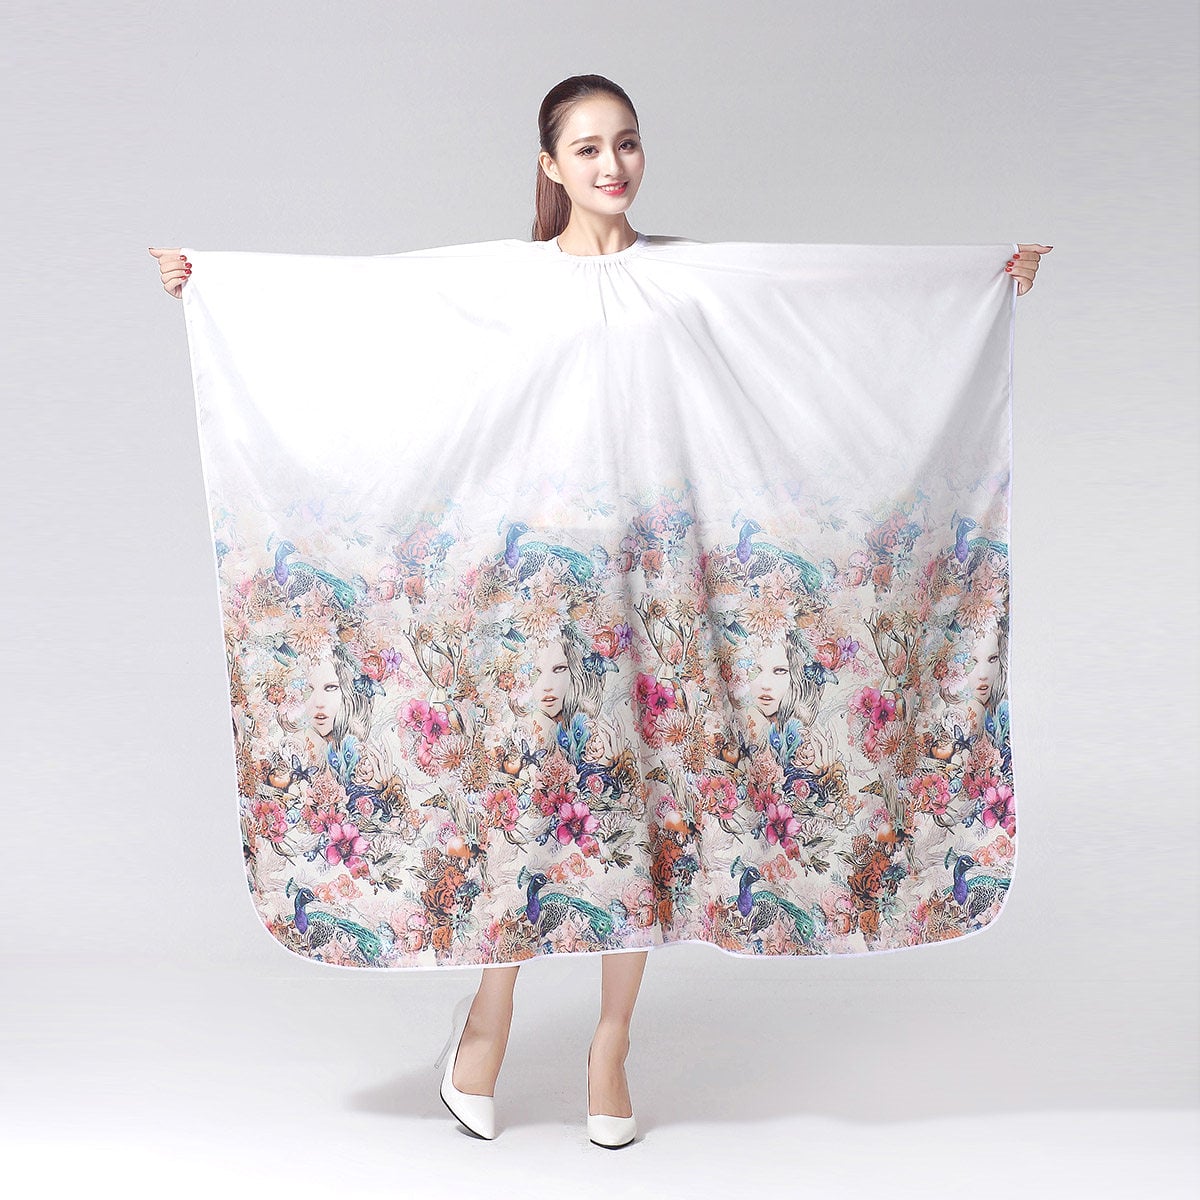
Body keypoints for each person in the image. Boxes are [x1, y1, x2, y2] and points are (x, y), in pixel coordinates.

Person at [149, 73, 1051, 1148]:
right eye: (586, 148)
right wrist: (220, 288)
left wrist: (979, 283)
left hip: (658, 592)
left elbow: (828, 309)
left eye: (626, 143)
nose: (611, 164)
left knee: (643, 812)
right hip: (540, 605)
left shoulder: (691, 282)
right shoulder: (507, 285)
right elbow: (372, 317)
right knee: (531, 801)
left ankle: (612, 1044)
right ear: (550, 165)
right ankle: (487, 1024)